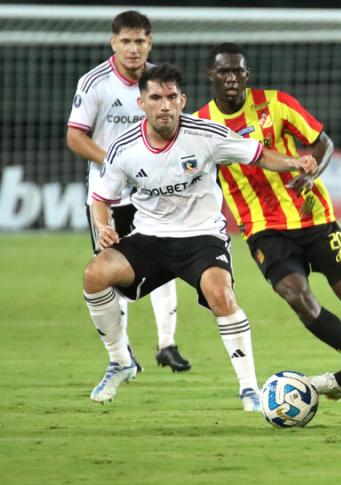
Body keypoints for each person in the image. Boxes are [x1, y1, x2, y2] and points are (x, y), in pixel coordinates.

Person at [82, 64, 317, 410]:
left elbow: (259, 155)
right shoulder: (124, 148)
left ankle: (249, 389)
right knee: (94, 275)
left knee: (221, 294)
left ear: (183, 100)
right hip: (150, 236)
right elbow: (100, 198)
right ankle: (121, 361)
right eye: (156, 97)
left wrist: (296, 162)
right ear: (142, 102)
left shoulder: (206, 134)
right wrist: (103, 226)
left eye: (172, 97)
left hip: (202, 236)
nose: (165, 105)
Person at [194, 43, 341, 369]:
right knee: (298, 298)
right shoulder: (201, 124)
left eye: (237, 71)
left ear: (247, 75)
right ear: (210, 76)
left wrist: (313, 168)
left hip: (311, 215)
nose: (231, 77)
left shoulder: (275, 104)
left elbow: (322, 143)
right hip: (263, 228)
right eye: (224, 71)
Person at [66, 10, 190, 372]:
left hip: (154, 192)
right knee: (111, 269)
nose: (133, 49)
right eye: (126, 41)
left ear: (149, 43)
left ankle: (167, 343)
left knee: (165, 261)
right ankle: (123, 354)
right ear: (113, 43)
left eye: (139, 41)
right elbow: (75, 136)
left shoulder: (159, 86)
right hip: (110, 195)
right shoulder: (94, 83)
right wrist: (118, 161)